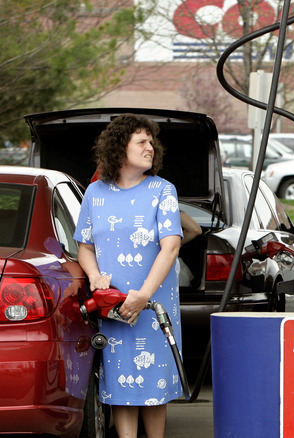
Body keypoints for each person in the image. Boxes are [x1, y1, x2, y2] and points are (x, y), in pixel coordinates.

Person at [74, 114, 183, 438]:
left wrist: (144, 295)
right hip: (114, 307)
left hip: (153, 306)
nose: (150, 147)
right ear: (120, 147)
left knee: (153, 384)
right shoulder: (95, 193)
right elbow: (85, 247)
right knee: (120, 381)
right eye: (142, 142)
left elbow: (171, 246)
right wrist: (94, 276)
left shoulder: (162, 190)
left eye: (152, 142)